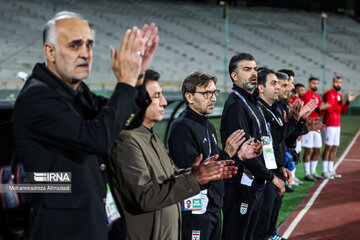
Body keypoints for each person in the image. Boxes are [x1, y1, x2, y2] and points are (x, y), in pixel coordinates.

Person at [13, 11, 159, 240]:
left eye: (89, 45)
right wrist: (125, 82)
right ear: (50, 51)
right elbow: (97, 139)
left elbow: (126, 121)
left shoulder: (76, 90)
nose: (85, 54)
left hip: (95, 221)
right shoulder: (37, 97)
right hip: (64, 230)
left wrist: (138, 75)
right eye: (75, 46)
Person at [108, 70, 238, 240]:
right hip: (180, 219)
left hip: (192, 216)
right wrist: (196, 178)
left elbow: (171, 178)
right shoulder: (127, 141)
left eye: (214, 93)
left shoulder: (152, 137)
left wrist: (199, 175)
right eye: (157, 96)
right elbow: (144, 197)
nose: (164, 102)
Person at [168, 72, 262, 240]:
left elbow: (216, 165)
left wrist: (239, 156)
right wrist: (227, 153)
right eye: (206, 93)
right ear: (189, 97)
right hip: (195, 211)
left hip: (212, 206)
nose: (213, 98)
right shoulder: (183, 127)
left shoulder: (207, 124)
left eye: (214, 92)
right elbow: (195, 174)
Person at [220, 53, 285, 240]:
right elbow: (246, 152)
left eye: (255, 69)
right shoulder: (236, 105)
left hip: (254, 183)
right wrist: (272, 177)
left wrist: (276, 167)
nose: (253, 73)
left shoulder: (253, 102)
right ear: (234, 76)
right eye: (247, 69)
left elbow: (265, 142)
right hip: (241, 185)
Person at [321, 76, 358, 178]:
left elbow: (342, 110)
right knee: (328, 147)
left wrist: (347, 102)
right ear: (333, 83)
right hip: (329, 124)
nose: (339, 84)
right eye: (337, 82)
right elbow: (329, 109)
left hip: (337, 125)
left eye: (340, 82)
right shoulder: (328, 94)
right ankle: (324, 171)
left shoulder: (338, 95)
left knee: (334, 147)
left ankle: (330, 169)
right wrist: (339, 103)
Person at [301, 77, 330, 181]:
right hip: (309, 125)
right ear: (309, 84)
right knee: (308, 150)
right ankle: (307, 173)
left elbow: (319, 112)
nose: (315, 85)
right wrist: (318, 109)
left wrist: (323, 109)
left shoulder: (318, 96)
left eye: (317, 83)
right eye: (313, 83)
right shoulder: (305, 96)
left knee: (318, 149)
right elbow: (304, 111)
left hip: (317, 123)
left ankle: (313, 171)